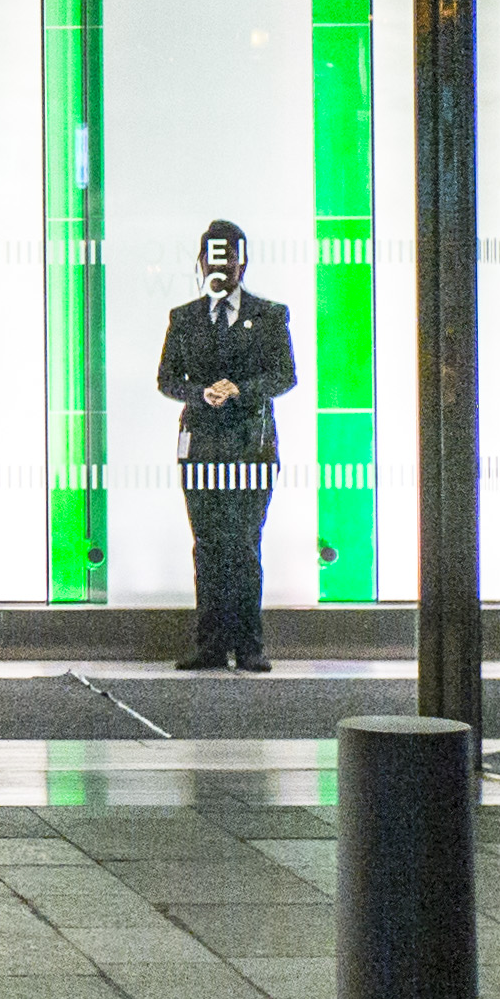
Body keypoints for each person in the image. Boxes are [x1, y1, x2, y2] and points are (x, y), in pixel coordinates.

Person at [152, 219, 296, 674]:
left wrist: (241, 389)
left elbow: (285, 376)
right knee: (208, 545)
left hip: (251, 446)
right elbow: (166, 379)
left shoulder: (270, 314)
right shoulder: (185, 318)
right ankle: (211, 644)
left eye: (229, 255)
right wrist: (200, 394)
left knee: (244, 543)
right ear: (201, 261)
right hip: (201, 447)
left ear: (243, 261)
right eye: (214, 256)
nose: (222, 264)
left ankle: (249, 645)